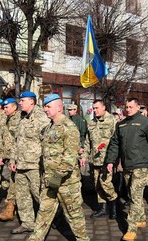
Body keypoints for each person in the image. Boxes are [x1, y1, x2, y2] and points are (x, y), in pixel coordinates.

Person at [27, 94, 89, 241]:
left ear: (59, 108)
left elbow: (69, 159)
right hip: (50, 181)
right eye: (45, 106)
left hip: (66, 183)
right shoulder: (49, 127)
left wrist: (55, 179)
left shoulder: (69, 127)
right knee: (44, 211)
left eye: (48, 106)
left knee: (74, 215)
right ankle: (36, 238)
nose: (45, 109)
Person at [105, 98, 148, 241]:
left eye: (130, 107)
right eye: (126, 107)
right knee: (133, 193)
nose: (127, 109)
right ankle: (141, 218)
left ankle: (131, 228)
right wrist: (111, 161)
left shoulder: (146, 123)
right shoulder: (121, 124)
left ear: (137, 107)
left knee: (134, 195)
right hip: (126, 166)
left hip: (142, 165)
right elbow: (115, 144)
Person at [10, 91, 49, 234]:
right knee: (22, 196)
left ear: (32, 102)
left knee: (39, 195)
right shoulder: (22, 117)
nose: (20, 103)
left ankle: (54, 217)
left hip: (34, 164)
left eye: (23, 100)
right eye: (20, 100)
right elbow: (17, 141)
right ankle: (27, 223)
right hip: (21, 164)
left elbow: (47, 142)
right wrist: (13, 159)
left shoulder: (41, 118)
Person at [82, 99, 118, 219]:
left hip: (107, 160)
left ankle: (114, 205)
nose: (95, 110)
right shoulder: (91, 123)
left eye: (97, 108)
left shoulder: (112, 121)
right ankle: (103, 208)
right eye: (93, 108)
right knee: (97, 185)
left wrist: (114, 159)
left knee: (106, 184)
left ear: (104, 108)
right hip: (95, 160)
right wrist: (84, 156)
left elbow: (117, 141)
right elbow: (88, 142)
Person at [0, 98, 21, 222]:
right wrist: (1, 155)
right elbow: (4, 139)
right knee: (14, 183)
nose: (4, 109)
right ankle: (11, 209)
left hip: (17, 157)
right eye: (4, 107)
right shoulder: (7, 119)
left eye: (7, 107)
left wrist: (14, 158)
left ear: (14, 107)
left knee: (15, 184)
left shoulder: (19, 119)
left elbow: (17, 141)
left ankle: (11, 209)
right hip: (10, 157)